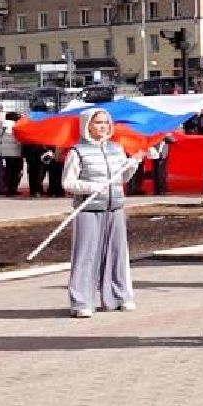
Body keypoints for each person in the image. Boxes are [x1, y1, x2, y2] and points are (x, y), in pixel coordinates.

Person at [61, 109, 137, 317]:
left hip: (115, 207)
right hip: (88, 209)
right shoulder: (77, 151)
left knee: (117, 255)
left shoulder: (116, 148)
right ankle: (81, 302)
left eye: (105, 122)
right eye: (98, 123)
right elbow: (68, 182)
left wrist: (132, 166)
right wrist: (91, 187)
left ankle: (118, 297)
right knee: (86, 256)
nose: (103, 126)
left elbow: (123, 178)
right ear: (87, 125)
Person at [0, 112, 24, 195]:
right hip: (15, 151)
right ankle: (13, 189)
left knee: (8, 170)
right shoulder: (15, 125)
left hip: (5, 151)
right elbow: (18, 138)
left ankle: (8, 188)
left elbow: (0, 137)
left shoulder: (2, 125)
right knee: (15, 171)